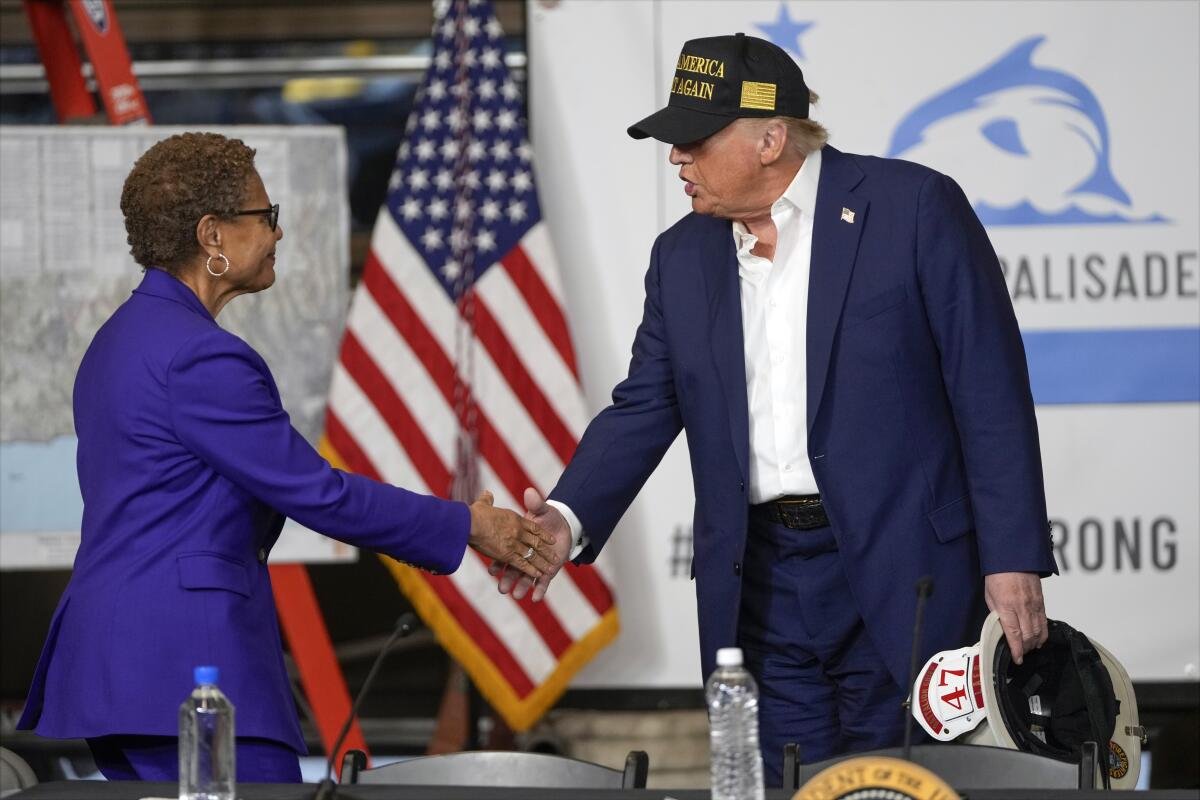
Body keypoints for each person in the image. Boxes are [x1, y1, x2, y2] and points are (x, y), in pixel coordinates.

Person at [494, 34, 1058, 783]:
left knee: (895, 785)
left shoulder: (914, 208)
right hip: (760, 581)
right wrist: (564, 520)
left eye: (693, 141)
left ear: (770, 138)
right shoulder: (681, 256)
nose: (675, 160)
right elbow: (643, 406)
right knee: (783, 783)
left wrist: (1013, 557)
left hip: (901, 569)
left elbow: (989, 389)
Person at [17, 132, 558, 783]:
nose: (278, 233)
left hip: (119, 668)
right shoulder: (201, 357)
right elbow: (319, 493)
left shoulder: (118, 340)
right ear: (212, 234)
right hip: (187, 669)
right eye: (265, 216)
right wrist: (470, 525)